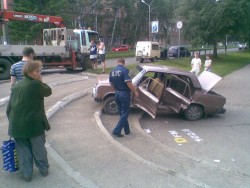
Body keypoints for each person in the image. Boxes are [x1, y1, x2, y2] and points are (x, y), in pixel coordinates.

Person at [6, 60, 52, 182]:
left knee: (23, 151)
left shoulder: (17, 85)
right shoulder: (36, 84)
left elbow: (8, 108)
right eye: (37, 71)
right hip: (33, 125)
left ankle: (26, 174)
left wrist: (14, 122)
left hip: (16, 125)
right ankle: (43, 170)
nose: (39, 73)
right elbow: (48, 91)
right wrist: (40, 81)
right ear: (30, 72)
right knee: (39, 149)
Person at [109, 58, 139, 137]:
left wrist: (117, 89)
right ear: (124, 63)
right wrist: (135, 91)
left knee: (122, 113)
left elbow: (111, 83)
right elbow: (128, 82)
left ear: (117, 62)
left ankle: (127, 130)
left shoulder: (112, 71)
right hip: (124, 94)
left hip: (117, 93)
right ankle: (117, 130)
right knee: (125, 113)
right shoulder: (125, 70)